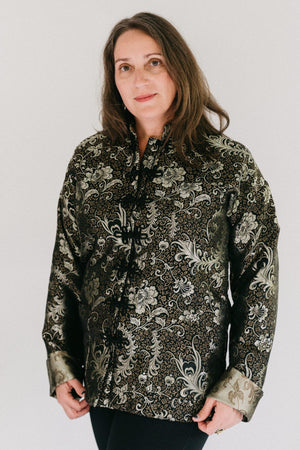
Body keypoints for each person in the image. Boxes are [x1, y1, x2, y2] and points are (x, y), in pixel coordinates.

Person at [42, 12, 279, 450]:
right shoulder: (90, 161)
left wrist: (240, 384)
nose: (139, 79)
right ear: (113, 79)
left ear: (178, 67)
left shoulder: (228, 165)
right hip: (100, 380)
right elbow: (67, 265)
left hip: (179, 390)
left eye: (154, 62)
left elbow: (258, 279)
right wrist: (61, 360)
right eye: (124, 67)